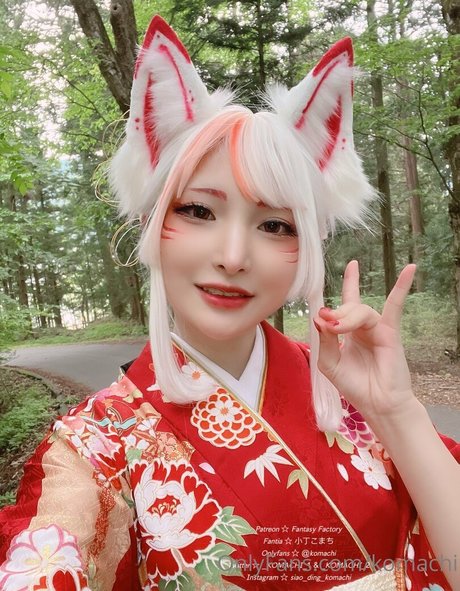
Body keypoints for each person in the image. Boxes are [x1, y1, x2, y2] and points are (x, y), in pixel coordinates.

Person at [0, 14, 458, 591]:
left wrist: (397, 412)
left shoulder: (355, 401)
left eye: (274, 224)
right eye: (198, 211)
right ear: (149, 221)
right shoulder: (95, 447)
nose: (235, 256)